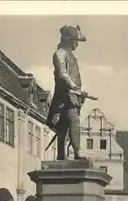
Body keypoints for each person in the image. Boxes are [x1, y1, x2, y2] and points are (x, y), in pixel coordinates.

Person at [46, 24, 88, 160]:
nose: (77, 44)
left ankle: (61, 155)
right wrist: (74, 87)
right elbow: (62, 74)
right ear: (69, 40)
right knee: (73, 119)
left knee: (64, 126)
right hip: (64, 96)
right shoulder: (60, 54)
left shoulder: (71, 56)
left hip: (72, 96)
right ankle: (77, 151)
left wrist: (80, 93)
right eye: (76, 41)